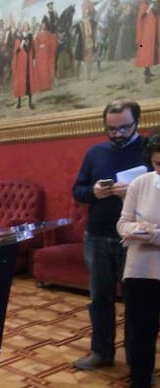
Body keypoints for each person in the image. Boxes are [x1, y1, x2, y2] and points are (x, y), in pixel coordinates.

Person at [72, 98, 149, 370]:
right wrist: (94, 192)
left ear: (137, 122)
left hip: (135, 238)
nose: (117, 134)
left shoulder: (150, 150)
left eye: (124, 128)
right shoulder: (96, 152)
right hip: (97, 236)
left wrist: (136, 190)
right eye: (111, 129)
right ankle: (101, 353)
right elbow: (78, 190)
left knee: (136, 303)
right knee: (100, 299)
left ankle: (137, 363)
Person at [110, 133, 160, 388]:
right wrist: (134, 229)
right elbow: (123, 222)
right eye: (158, 163)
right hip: (140, 271)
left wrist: (152, 235)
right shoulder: (141, 183)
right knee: (140, 335)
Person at [134, 0, 160, 83]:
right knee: (146, 53)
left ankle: (147, 72)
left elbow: (155, 14)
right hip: (146, 35)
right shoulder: (144, 4)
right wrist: (150, 8)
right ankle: (147, 74)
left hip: (152, 32)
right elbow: (142, 16)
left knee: (152, 52)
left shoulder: (151, 4)